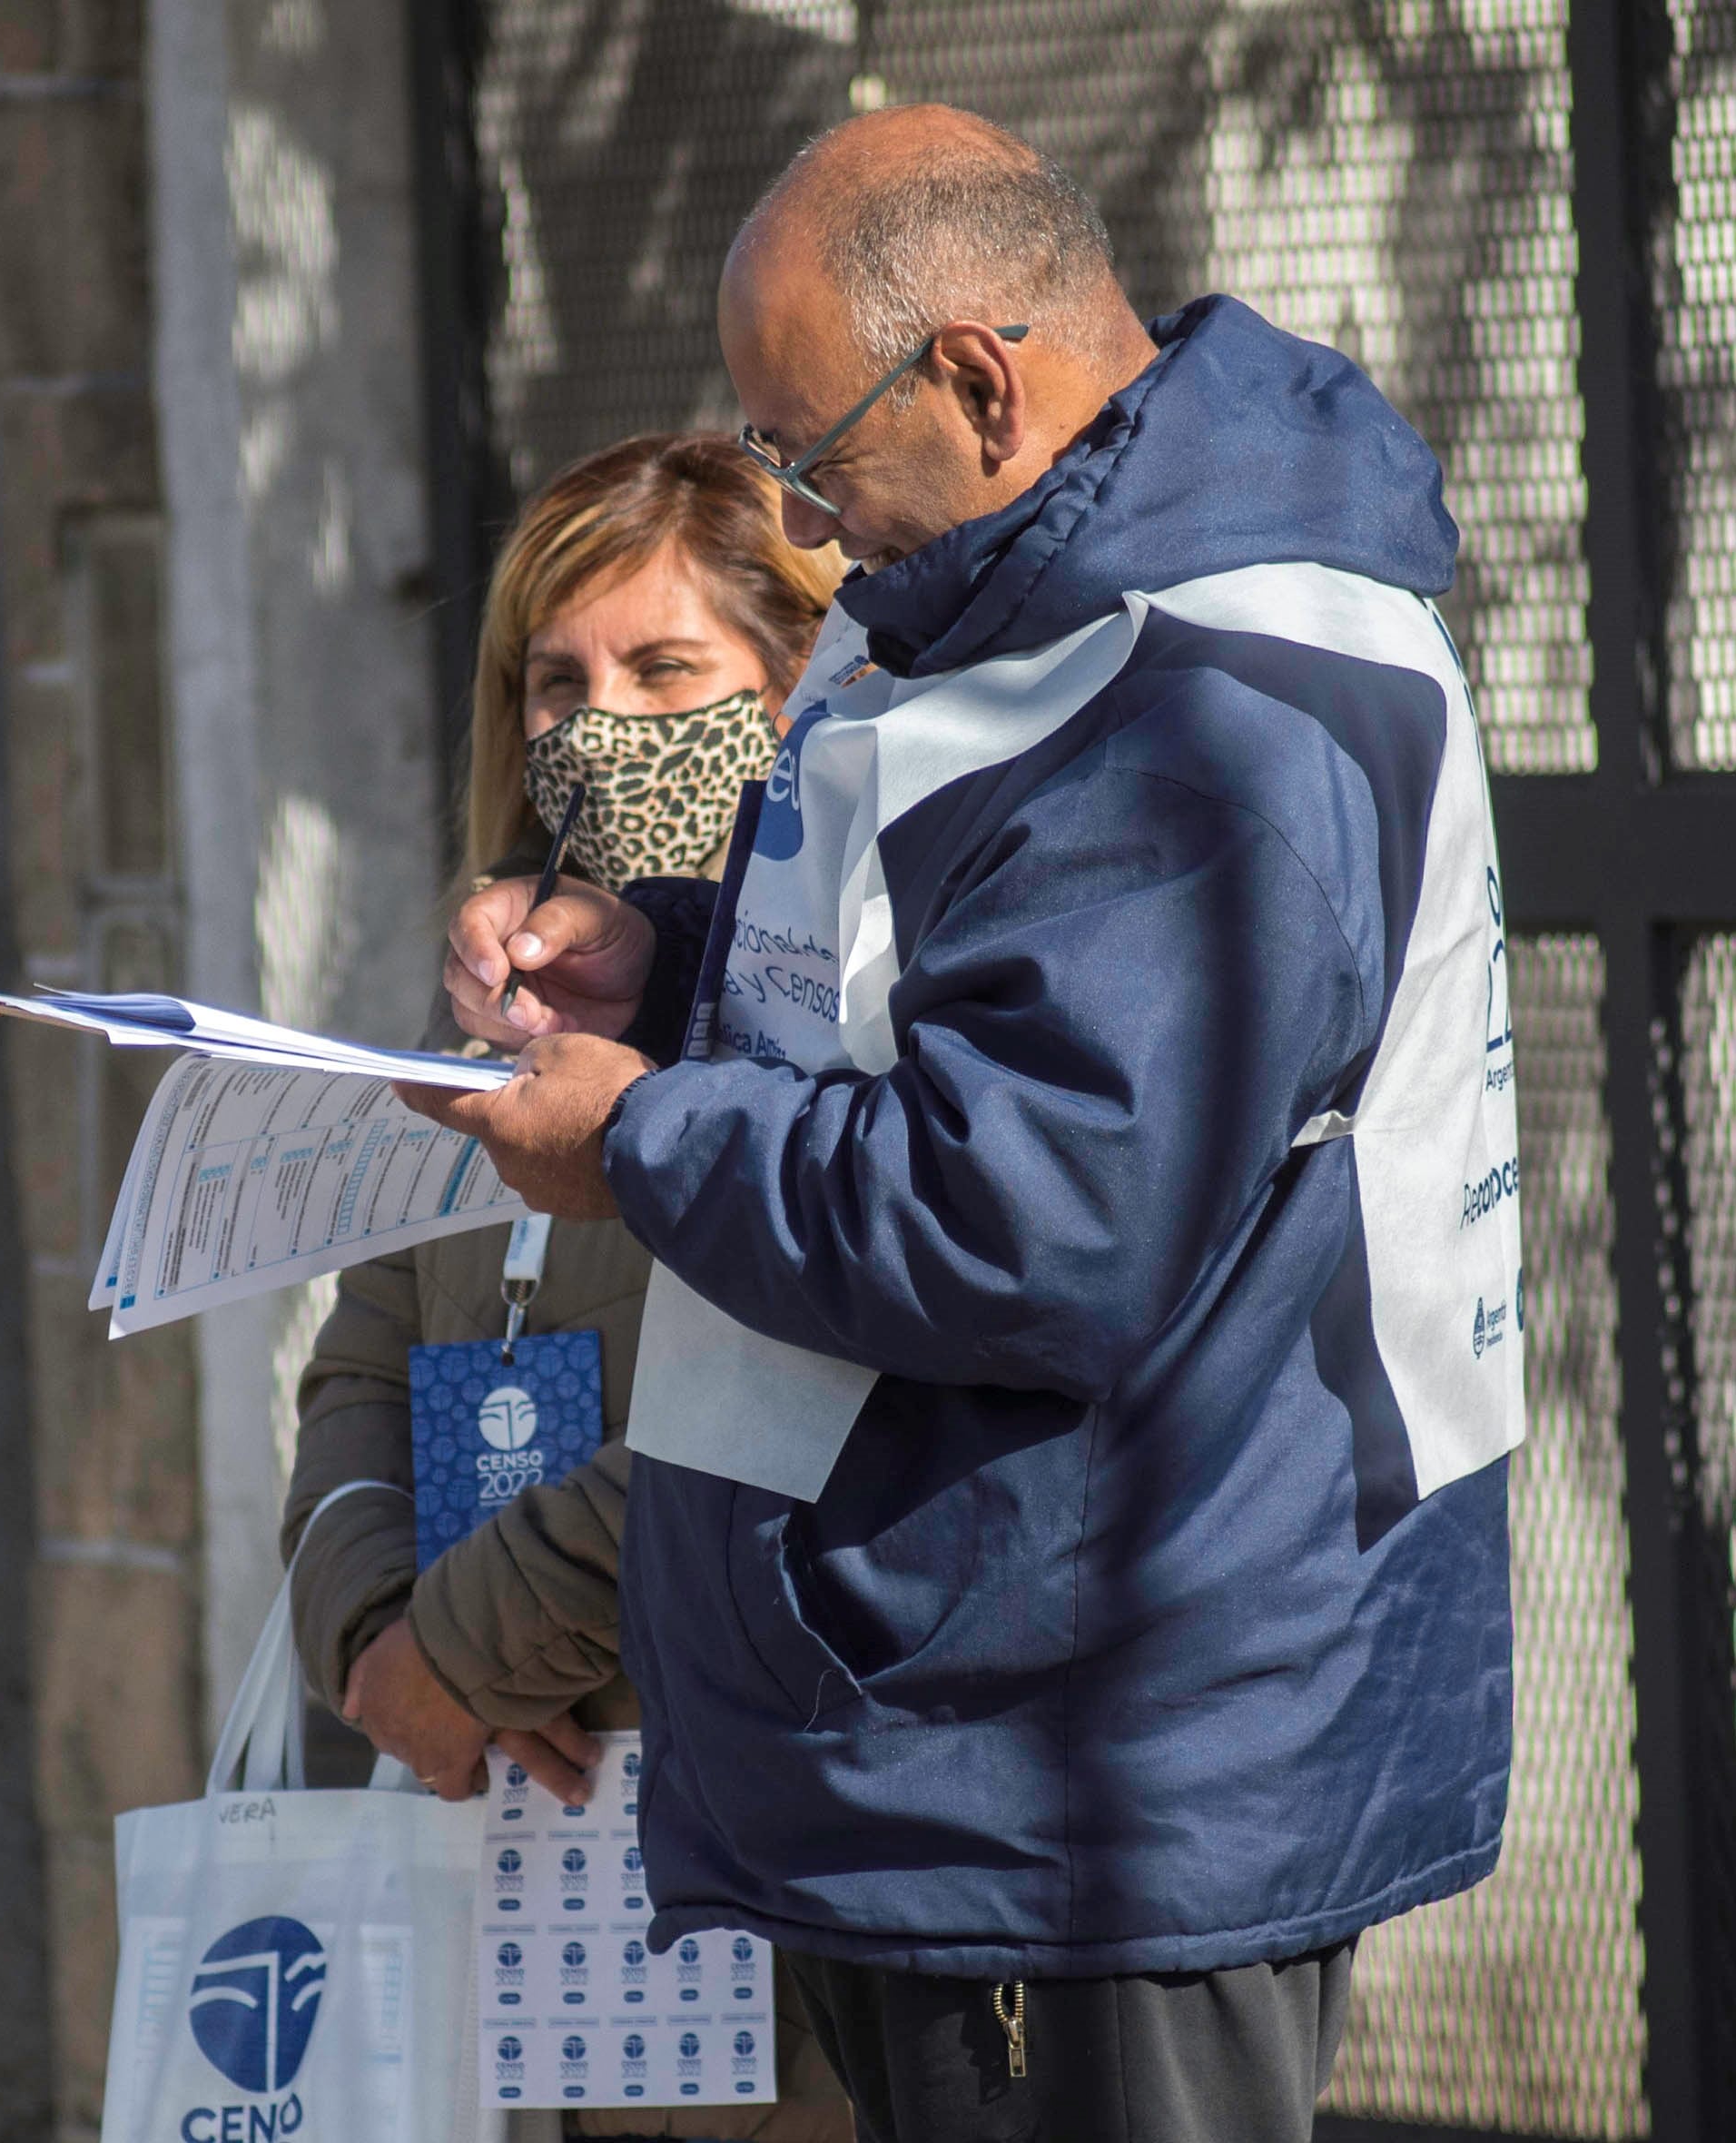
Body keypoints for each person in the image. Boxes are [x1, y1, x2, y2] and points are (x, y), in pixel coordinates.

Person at [408, 107, 1518, 2143]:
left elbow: (1031, 1210)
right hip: (968, 1742)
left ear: (982, 380)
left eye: (809, 452)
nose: (807, 519)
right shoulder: (1014, 614)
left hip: (1090, 1774)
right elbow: (918, 975)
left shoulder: (1208, 693)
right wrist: (645, 956)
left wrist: (635, 1140)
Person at [279, 432, 850, 2140]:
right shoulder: (508, 1011)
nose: (599, 724)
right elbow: (362, 1359)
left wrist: (469, 1653)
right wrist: (375, 1641)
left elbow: (762, 1406)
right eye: (554, 679)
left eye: (667, 669)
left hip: (765, 1898)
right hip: (504, 1887)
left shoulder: (817, 1025)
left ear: (794, 684)